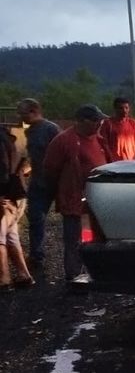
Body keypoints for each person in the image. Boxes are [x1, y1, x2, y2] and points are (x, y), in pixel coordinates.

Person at [43, 105, 113, 285]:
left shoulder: (99, 139)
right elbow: (50, 170)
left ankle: (95, 272)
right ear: (82, 121)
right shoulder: (64, 140)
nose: (99, 124)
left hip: (97, 202)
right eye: (96, 120)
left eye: (100, 120)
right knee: (74, 240)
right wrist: (63, 190)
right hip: (74, 201)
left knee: (93, 238)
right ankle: (74, 276)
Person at [15, 98, 61, 269]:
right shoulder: (30, 132)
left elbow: (61, 153)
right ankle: (37, 255)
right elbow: (31, 157)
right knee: (35, 218)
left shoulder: (51, 129)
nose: (20, 117)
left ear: (34, 111)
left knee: (69, 218)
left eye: (23, 113)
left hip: (53, 181)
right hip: (37, 182)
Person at [1, 125, 34, 290]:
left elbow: (2, 169)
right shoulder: (9, 138)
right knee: (11, 237)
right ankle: (24, 276)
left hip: (5, 196)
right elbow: (25, 164)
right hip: (18, 193)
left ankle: (4, 280)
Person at [98, 96, 135, 161]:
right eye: (121, 108)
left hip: (131, 161)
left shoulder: (132, 123)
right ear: (115, 109)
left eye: (126, 108)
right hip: (115, 162)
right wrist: (110, 159)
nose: (124, 110)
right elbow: (104, 145)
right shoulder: (108, 124)